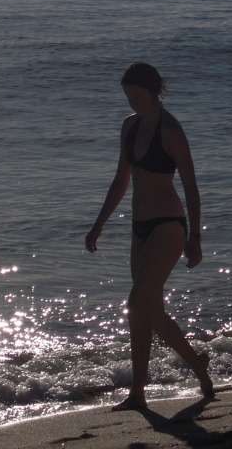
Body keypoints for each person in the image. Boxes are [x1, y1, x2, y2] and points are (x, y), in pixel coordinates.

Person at [85, 62, 214, 411]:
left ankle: (150, 388)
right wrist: (99, 224)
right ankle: (165, 380)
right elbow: (120, 180)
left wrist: (196, 238)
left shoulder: (170, 130)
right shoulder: (129, 127)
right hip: (139, 227)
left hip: (168, 225)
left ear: (153, 92)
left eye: (137, 96)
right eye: (127, 96)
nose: (132, 102)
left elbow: (191, 186)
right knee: (146, 312)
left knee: (135, 305)